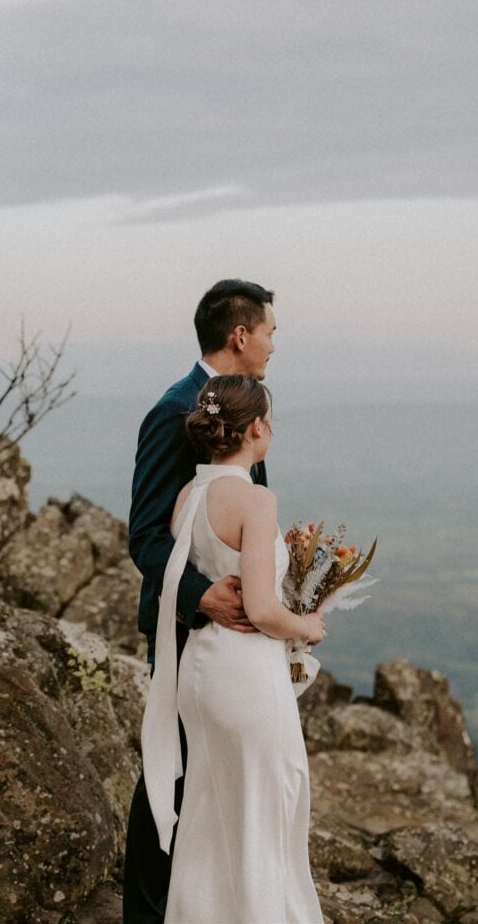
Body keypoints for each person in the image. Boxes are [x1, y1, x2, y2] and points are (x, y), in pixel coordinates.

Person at [142, 374, 325, 923]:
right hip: (246, 676)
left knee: (208, 814)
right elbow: (264, 611)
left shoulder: (187, 495)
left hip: (200, 674)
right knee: (266, 814)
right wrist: (309, 625)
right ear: (256, 429)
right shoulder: (254, 499)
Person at [124, 280, 277, 924]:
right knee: (174, 763)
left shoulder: (237, 403)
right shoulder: (174, 409)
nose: (273, 345)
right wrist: (201, 595)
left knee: (215, 768)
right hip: (189, 624)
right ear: (240, 335)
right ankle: (147, 910)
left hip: (238, 627)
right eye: (270, 332)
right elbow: (146, 531)